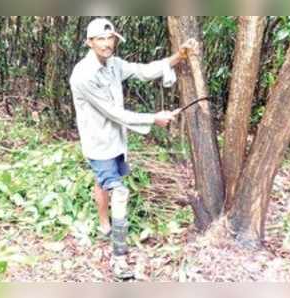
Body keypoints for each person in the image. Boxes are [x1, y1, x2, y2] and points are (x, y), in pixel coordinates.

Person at [69, 17, 197, 279]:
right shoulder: (83, 75)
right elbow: (115, 113)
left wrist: (178, 57)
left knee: (102, 181)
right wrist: (154, 118)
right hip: (98, 143)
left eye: (110, 38)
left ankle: (104, 224)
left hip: (116, 140)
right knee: (119, 192)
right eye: (100, 39)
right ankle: (119, 258)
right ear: (89, 42)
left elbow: (143, 70)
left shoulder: (114, 64)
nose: (107, 44)